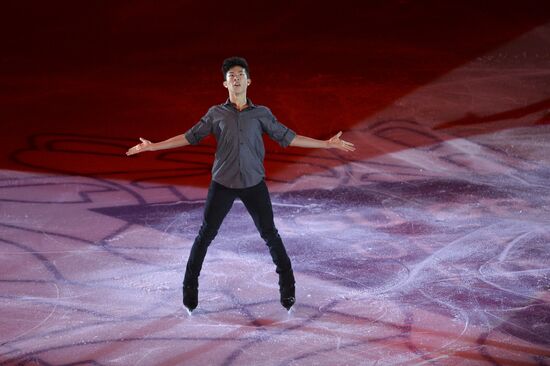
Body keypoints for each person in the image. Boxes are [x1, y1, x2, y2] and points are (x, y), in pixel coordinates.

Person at [126, 57, 355, 313]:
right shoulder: (216, 113)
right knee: (205, 235)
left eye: (240, 74)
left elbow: (288, 137)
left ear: (248, 81)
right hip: (222, 184)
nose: (235, 78)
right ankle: (189, 290)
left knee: (270, 234)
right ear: (225, 84)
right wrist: (154, 146)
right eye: (231, 75)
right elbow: (189, 137)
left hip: (253, 184)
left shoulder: (261, 114)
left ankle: (288, 290)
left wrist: (326, 144)